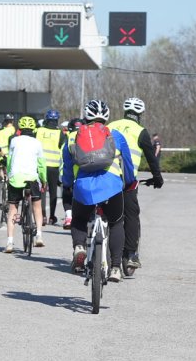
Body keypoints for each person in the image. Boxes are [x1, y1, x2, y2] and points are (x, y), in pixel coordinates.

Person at [62, 100, 136, 282]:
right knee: (116, 222)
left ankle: (79, 247)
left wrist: (68, 184)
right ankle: (116, 267)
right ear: (107, 117)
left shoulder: (72, 137)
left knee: (79, 219)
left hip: (84, 187)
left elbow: (67, 168)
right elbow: (127, 164)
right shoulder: (116, 135)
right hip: (111, 186)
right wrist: (129, 183)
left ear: (86, 116)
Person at [108, 97, 164, 270]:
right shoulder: (140, 131)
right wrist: (157, 177)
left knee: (106, 213)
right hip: (127, 180)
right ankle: (131, 254)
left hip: (106, 176)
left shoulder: (110, 126)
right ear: (140, 114)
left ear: (124, 112)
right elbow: (151, 158)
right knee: (131, 215)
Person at [4, 116, 45, 252]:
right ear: (33, 129)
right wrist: (44, 180)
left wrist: (9, 174)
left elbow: (9, 160)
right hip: (32, 178)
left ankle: (10, 243)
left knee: (12, 209)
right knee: (36, 206)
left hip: (16, 178)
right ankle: (38, 235)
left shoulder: (14, 140)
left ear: (20, 129)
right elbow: (41, 164)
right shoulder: (37, 143)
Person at [35, 109, 65, 226]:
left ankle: (42, 216)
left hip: (40, 166)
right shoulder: (60, 133)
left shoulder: (39, 131)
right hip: (54, 167)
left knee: (41, 192)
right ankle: (52, 216)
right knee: (53, 193)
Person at [60, 117, 84, 229]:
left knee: (67, 192)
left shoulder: (69, 138)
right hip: (87, 173)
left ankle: (69, 217)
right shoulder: (88, 135)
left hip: (73, 172)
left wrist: (66, 180)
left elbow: (66, 159)